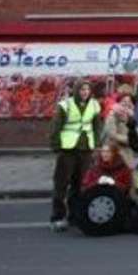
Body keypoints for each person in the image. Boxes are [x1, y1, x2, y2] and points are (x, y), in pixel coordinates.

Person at [49, 79, 102, 232]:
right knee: (62, 183)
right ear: (76, 91)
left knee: (80, 184)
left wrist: (96, 143)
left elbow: (97, 125)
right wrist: (56, 145)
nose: (85, 93)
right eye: (82, 90)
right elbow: (56, 126)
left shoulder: (94, 104)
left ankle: (75, 215)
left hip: (85, 149)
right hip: (68, 149)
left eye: (87, 90)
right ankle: (57, 217)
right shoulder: (65, 105)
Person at [100, 96, 138, 169]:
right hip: (112, 152)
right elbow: (112, 135)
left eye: (129, 105)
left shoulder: (135, 120)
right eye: (123, 104)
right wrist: (129, 139)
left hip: (128, 155)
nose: (125, 108)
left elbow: (136, 139)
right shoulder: (112, 117)